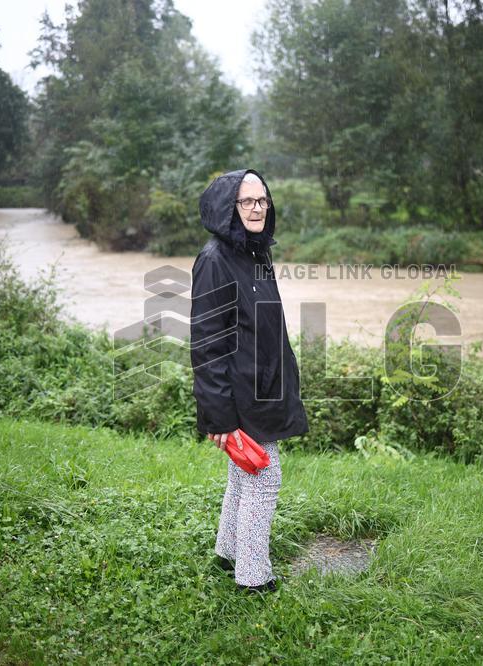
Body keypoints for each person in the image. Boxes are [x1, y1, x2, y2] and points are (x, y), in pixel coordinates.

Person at [189, 169, 309, 593]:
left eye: (262, 200)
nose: (257, 208)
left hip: (265, 385)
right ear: (228, 208)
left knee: (244, 476)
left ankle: (227, 553)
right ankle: (254, 578)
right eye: (247, 201)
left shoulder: (255, 252)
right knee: (265, 477)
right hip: (241, 395)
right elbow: (206, 344)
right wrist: (219, 418)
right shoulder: (215, 260)